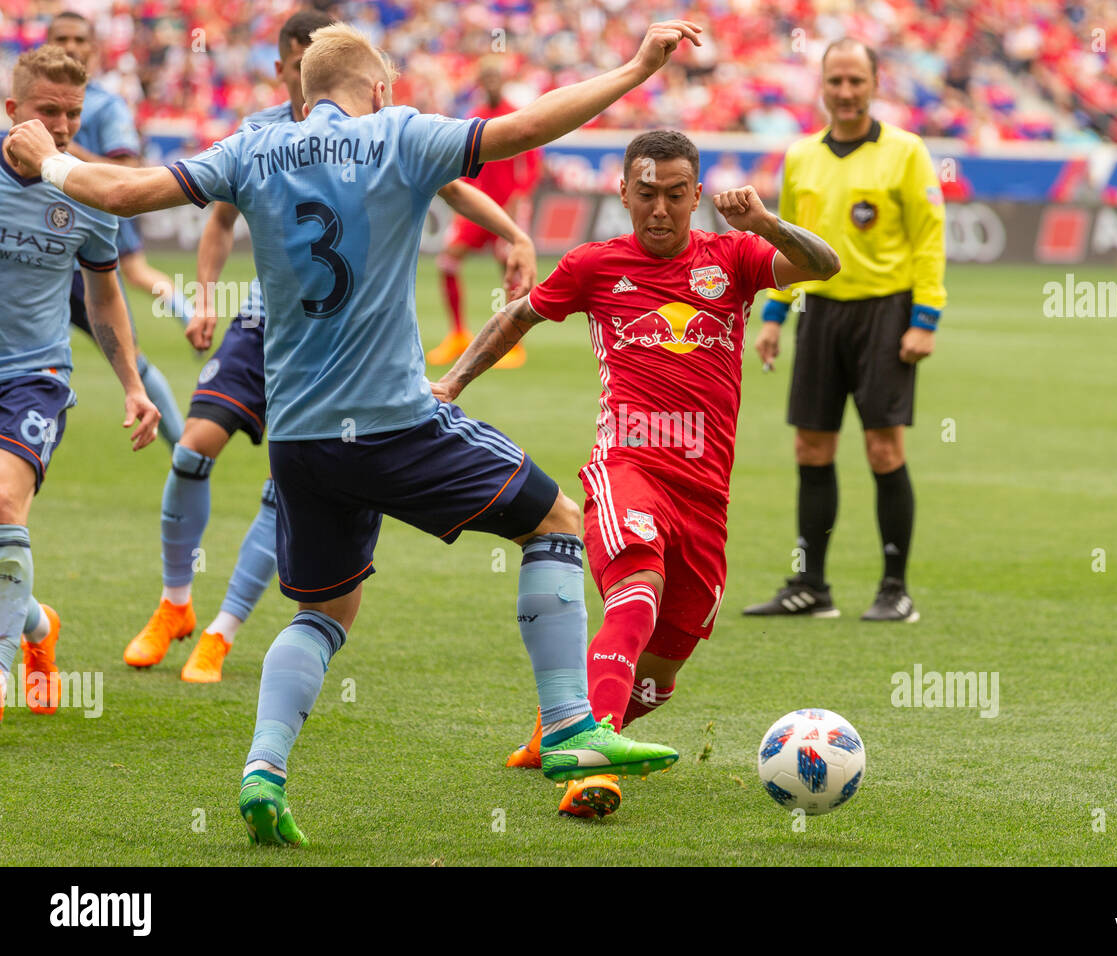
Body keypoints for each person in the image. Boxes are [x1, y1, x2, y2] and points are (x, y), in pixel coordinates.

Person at [8, 18, 704, 844]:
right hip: (393, 421)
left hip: (301, 439)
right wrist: (632, 67)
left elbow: (123, 194)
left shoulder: (254, 148)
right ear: (377, 90)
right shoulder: (400, 135)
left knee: (323, 611)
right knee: (555, 521)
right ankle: (567, 726)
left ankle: (264, 772)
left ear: (303, 91)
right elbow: (528, 127)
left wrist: (45, 160)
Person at [434, 129, 839, 818]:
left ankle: (561, 725)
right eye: (645, 194)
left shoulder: (734, 258)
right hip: (627, 466)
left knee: (664, 671)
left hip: (706, 491)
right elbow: (518, 316)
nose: (659, 209)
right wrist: (450, 383)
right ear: (622, 192)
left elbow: (824, 266)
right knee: (637, 585)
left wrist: (767, 222)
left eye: (675, 195)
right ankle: (593, 769)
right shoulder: (595, 265)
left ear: (696, 195)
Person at [135, 9, 542, 684]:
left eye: (310, 62)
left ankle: (222, 629)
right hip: (267, 322)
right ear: (285, 68)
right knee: (195, 446)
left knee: (291, 482)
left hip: (345, 343)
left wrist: (514, 233)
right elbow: (217, 222)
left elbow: (448, 182)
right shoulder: (259, 135)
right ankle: (175, 601)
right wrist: (204, 295)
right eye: (294, 64)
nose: (301, 78)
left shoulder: (376, 137)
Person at [743, 38, 946, 623]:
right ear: (823, 86)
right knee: (811, 446)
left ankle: (894, 590)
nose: (847, 92)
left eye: (857, 80)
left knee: (883, 449)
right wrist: (775, 315)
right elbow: (789, 243)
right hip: (819, 314)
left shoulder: (906, 152)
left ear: (875, 83)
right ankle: (812, 587)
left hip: (886, 311)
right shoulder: (802, 156)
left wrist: (924, 319)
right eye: (836, 81)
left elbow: (930, 240)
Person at [0, 45, 161, 724]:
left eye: (73, 114)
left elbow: (104, 300)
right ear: (13, 112)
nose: (63, 127)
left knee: (6, 506)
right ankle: (38, 625)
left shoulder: (89, 193)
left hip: (35, 376)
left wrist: (132, 383)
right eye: (48, 112)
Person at [47, 10, 186, 447]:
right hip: (33, 250)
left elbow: (127, 172)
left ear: (94, 48)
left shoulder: (106, 106)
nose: (70, 46)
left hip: (89, 243)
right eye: (61, 38)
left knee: (131, 358)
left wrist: (60, 156)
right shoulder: (27, 105)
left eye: (79, 39)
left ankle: (185, 455)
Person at [425, 58, 541, 370]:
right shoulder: (474, 117)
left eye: (495, 77)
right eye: (485, 78)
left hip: (507, 209)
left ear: (503, 81)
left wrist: (518, 198)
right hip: (479, 208)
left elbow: (531, 167)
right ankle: (458, 334)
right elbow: (462, 165)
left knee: (510, 267)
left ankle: (512, 343)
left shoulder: (516, 114)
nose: (491, 83)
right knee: (447, 260)